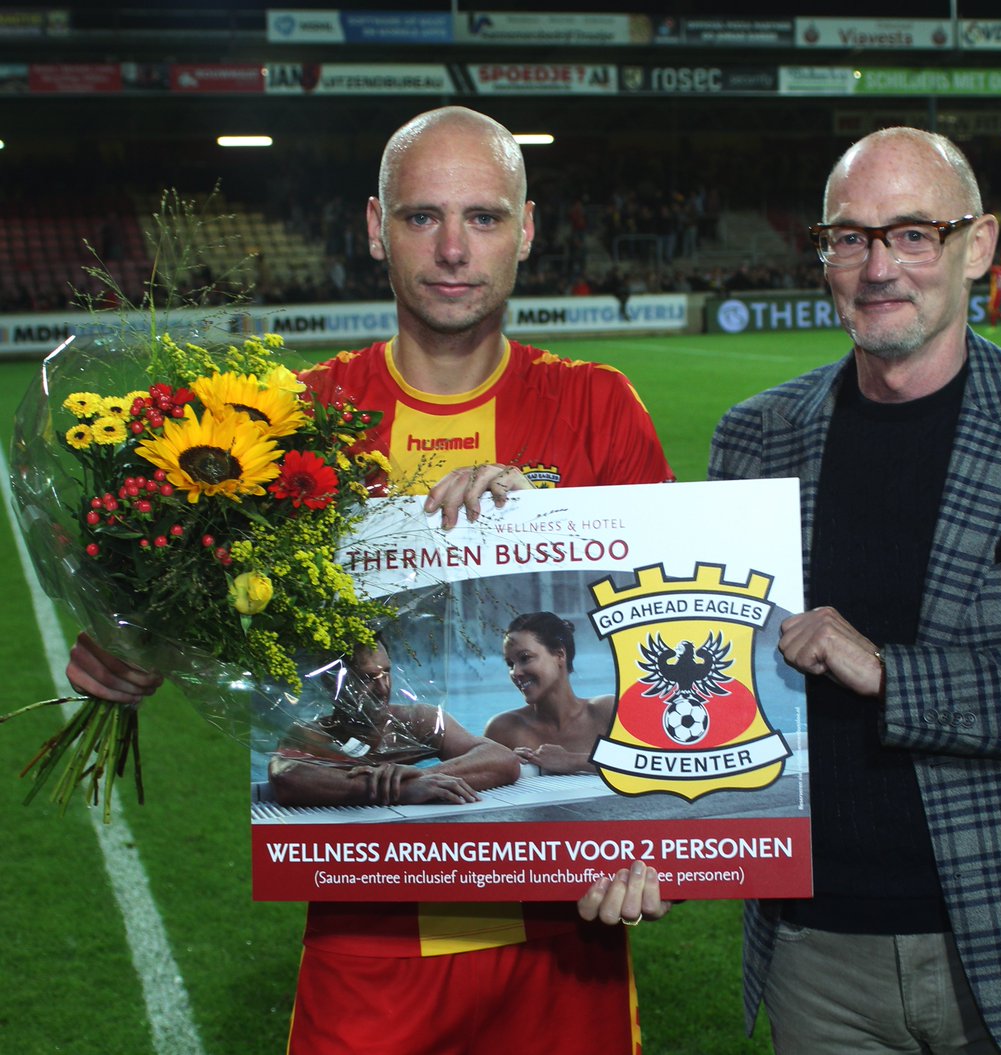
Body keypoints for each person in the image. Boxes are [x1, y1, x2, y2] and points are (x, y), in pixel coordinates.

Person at [68, 105, 673, 1055]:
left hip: (567, 937)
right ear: (371, 227)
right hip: (371, 934)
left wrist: (661, 839)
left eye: (482, 217)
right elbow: (238, 646)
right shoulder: (296, 426)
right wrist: (137, 641)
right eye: (420, 216)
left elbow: (660, 653)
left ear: (528, 230)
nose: (451, 249)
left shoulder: (598, 408)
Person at [709, 126, 1001, 1055]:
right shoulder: (754, 439)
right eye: (850, 237)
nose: (879, 265)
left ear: (978, 245)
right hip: (818, 958)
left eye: (913, 233)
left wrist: (896, 675)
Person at [268, 637, 519, 807]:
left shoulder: (416, 721)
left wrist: (424, 777)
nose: (383, 687)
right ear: (332, 682)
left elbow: (503, 759)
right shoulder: (313, 735)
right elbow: (286, 778)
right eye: (368, 677)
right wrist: (397, 790)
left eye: (386, 672)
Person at [485, 611, 613, 774]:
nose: (515, 672)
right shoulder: (503, 729)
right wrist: (505, 764)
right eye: (510, 664)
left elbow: (651, 760)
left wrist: (571, 760)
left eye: (525, 658)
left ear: (559, 655)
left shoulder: (605, 712)